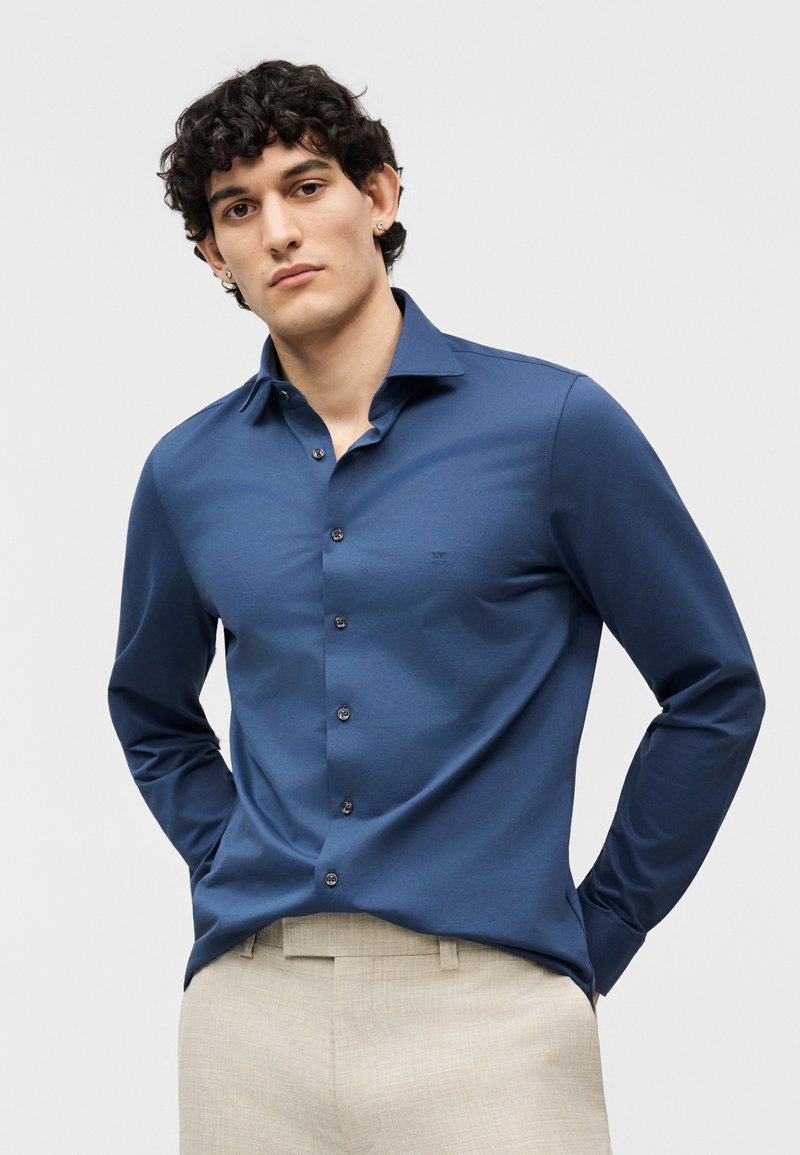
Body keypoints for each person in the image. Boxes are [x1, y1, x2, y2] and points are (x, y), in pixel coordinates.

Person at [107, 58, 765, 1154]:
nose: (279, 230)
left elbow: (713, 690)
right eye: (239, 208)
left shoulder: (555, 427)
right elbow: (150, 707)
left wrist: (600, 927)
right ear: (212, 254)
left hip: (491, 1020)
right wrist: (227, 854)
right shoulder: (186, 473)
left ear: (379, 195)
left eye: (306, 186)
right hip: (249, 1024)